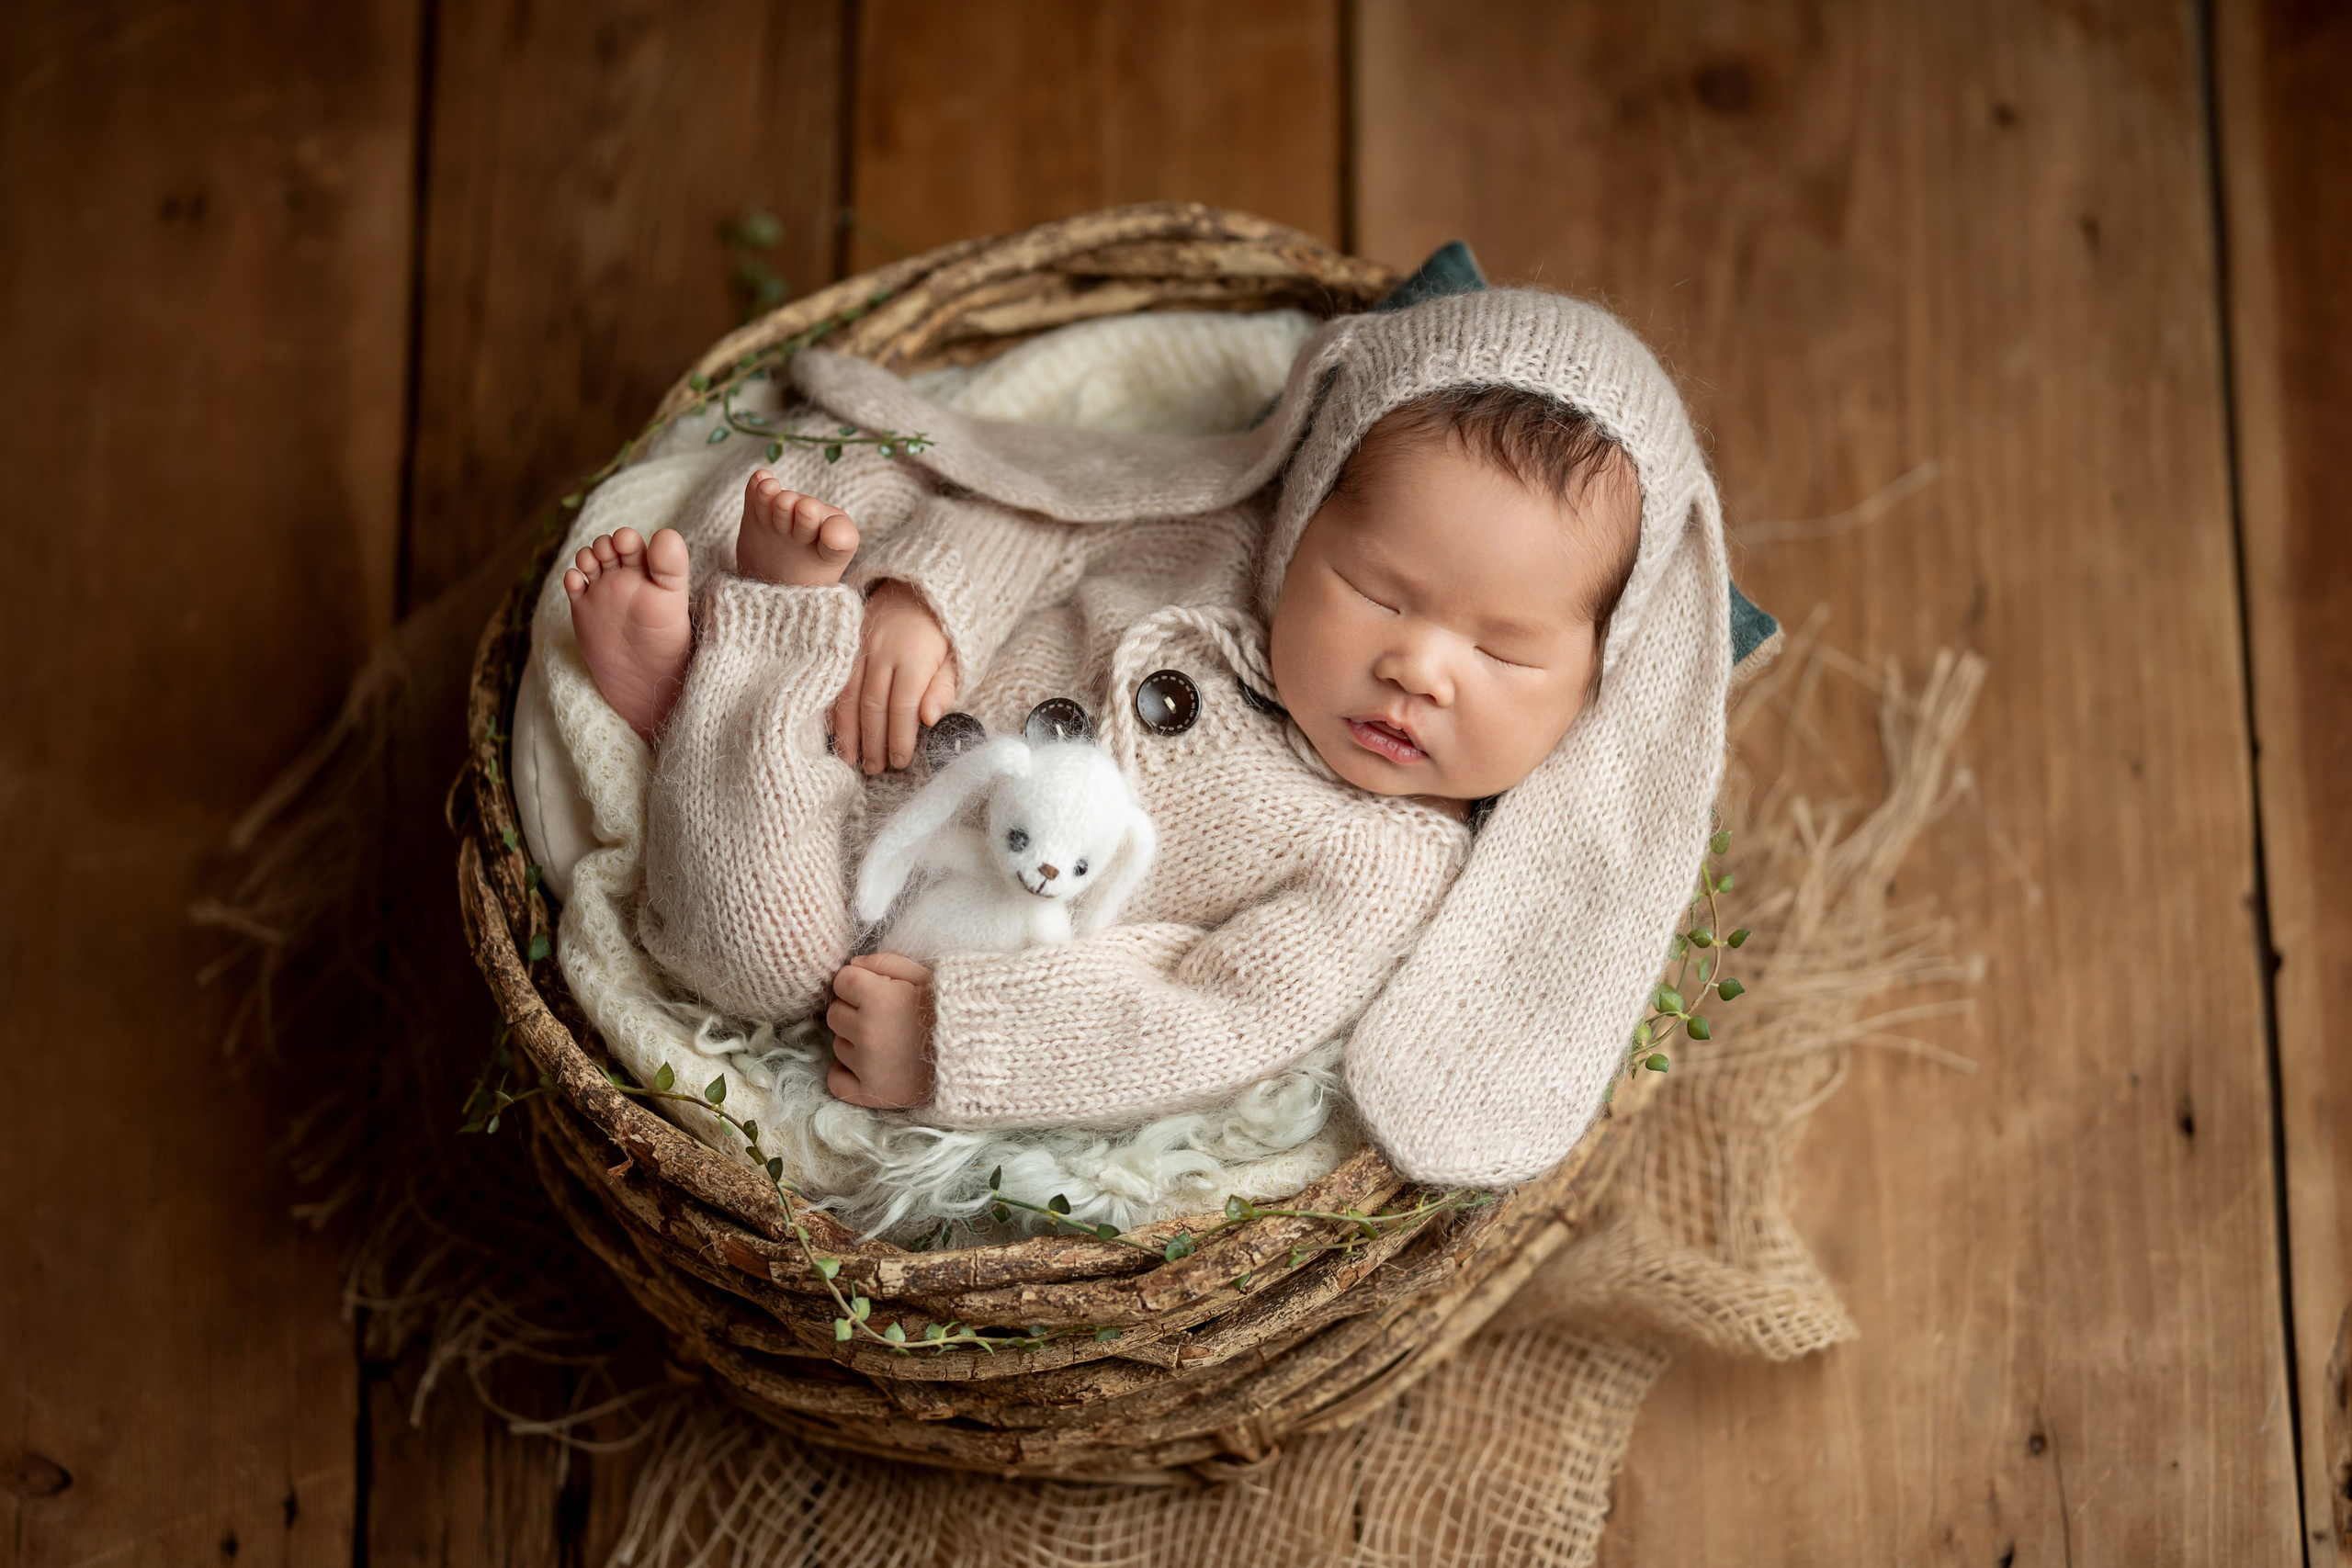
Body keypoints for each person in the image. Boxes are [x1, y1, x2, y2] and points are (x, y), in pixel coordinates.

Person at [560, 288, 1736, 1188]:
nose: (1417, 667)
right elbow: (1043, 522)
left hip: (917, 955)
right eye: (1378, 591)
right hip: (868, 740)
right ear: (1301, 521)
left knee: (762, 963)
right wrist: (927, 606)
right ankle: (737, 667)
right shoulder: (1213, 547)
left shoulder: (1390, 859)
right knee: (845, 536)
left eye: (1503, 653)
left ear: (1592, 686)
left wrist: (963, 1039)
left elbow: (1215, 1006)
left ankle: (737, 680)